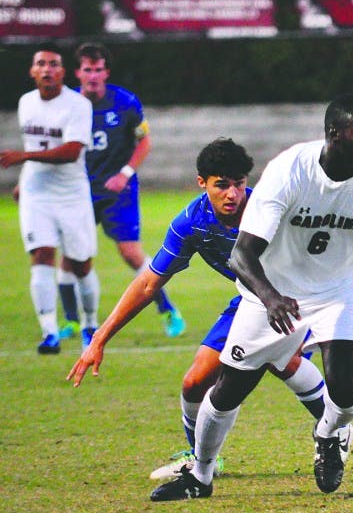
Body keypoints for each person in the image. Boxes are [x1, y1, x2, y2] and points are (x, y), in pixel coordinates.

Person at [148, 94, 353, 502]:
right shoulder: (289, 172)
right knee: (226, 391)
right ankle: (199, 478)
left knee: (344, 388)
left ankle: (327, 434)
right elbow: (242, 254)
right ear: (334, 135)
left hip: (344, 286)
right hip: (274, 289)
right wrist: (271, 298)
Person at [67, 138, 328, 481]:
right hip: (250, 300)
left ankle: (333, 429)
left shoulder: (270, 208)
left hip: (297, 297)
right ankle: (202, 458)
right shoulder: (192, 222)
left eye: (239, 184)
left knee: (282, 360)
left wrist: (342, 284)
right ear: (202, 183)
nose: (232, 194)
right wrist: (99, 339)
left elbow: (325, 235)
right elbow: (148, 284)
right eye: (222, 185)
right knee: (194, 383)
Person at [57, 43, 185, 345]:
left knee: (130, 252)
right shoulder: (66, 105)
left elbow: (144, 142)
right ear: (78, 73)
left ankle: (168, 310)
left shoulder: (125, 102)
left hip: (118, 190)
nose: (93, 75)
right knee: (70, 256)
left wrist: (124, 173)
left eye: (98, 69)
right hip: (78, 190)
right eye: (87, 69)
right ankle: (72, 321)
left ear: (106, 72)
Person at [1, 43, 100, 354]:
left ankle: (89, 324)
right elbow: (36, 144)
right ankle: (50, 332)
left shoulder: (78, 105)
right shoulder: (26, 102)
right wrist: (23, 179)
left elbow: (72, 152)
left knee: (81, 264)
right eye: (40, 63)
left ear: (63, 72)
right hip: (36, 194)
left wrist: (24, 157)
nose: (47, 69)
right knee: (41, 256)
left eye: (53, 64)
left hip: (72, 196)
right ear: (32, 71)